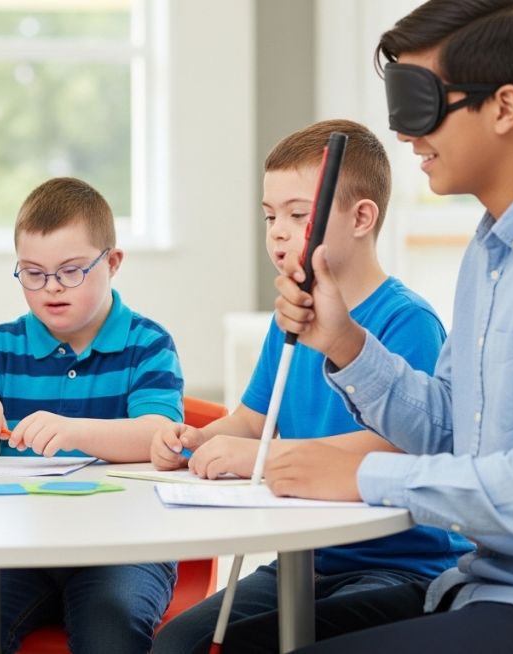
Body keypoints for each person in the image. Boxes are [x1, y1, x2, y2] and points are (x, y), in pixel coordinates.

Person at [248, 1, 513, 652]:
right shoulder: (491, 251)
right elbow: (450, 430)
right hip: (482, 586)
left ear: (505, 107)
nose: (405, 136)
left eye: (421, 104)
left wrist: (361, 475)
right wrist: (343, 342)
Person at [149, 119, 472, 654]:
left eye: (298, 215)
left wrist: (257, 454)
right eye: (270, 216)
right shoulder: (289, 318)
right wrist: (198, 441)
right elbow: (253, 418)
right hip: (304, 561)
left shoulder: (406, 320)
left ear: (362, 217)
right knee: (179, 643)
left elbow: (397, 447)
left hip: (399, 567)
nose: (277, 231)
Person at [0, 177, 184, 653]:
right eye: (33, 273)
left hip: (125, 547)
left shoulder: (146, 344)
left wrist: (74, 430)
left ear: (112, 263)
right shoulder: (1, 347)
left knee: (109, 630)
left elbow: (158, 436)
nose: (51, 288)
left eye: (71, 271)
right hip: (19, 545)